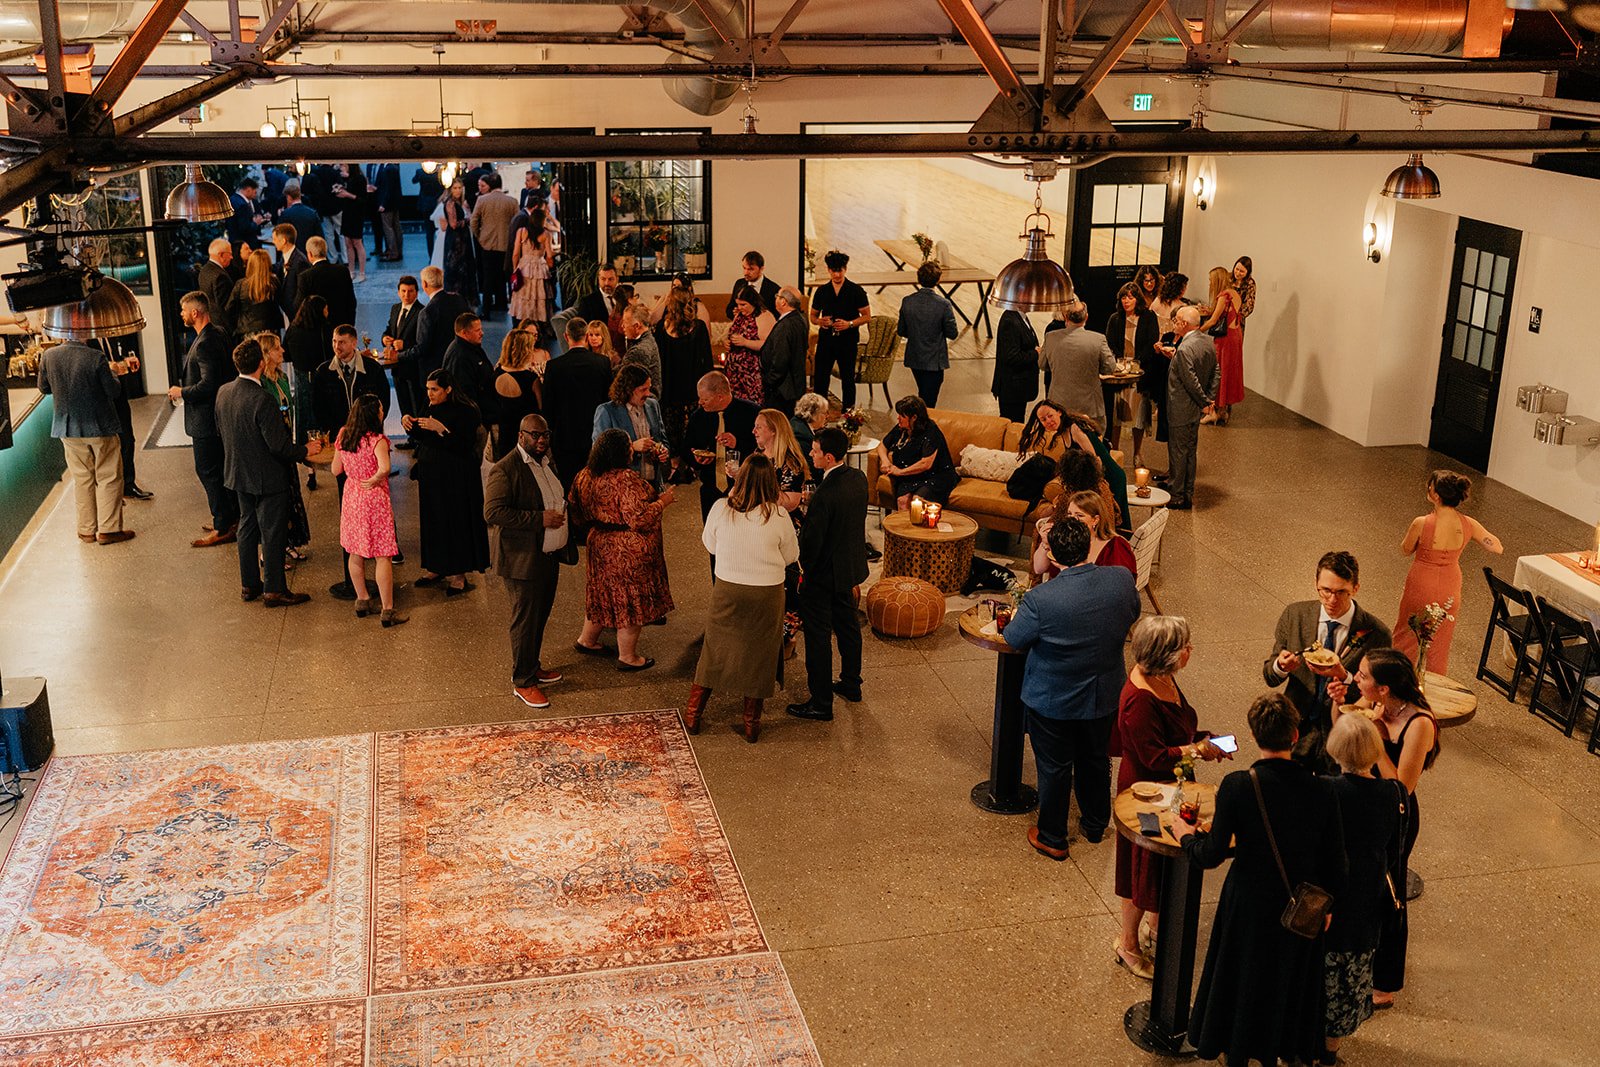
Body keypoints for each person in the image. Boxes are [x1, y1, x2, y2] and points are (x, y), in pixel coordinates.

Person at [1170, 693, 1346, 1067]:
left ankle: (1238, 1048)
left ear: (1253, 735)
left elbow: (1211, 855)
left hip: (1248, 903)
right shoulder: (1323, 789)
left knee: (1245, 977)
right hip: (1300, 908)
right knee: (1287, 981)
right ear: (1295, 735)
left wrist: (1185, 837)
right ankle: (1281, 1048)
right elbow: (1336, 861)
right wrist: (1328, 905)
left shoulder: (1238, 785)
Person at [1002, 518, 1140, 860]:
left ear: (1052, 553)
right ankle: (1095, 824)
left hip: (1054, 699)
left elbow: (1014, 638)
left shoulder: (1042, 599)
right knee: (1095, 758)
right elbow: (1132, 613)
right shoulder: (1121, 580)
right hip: (1103, 693)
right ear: (1087, 546)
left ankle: (1053, 836)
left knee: (1055, 766)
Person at [1112, 615, 1230, 978]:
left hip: (1173, 784)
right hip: (1145, 793)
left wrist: (1204, 741)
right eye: (1184, 647)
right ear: (1165, 655)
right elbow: (1153, 756)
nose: (1190, 650)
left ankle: (1157, 924)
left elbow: (1177, 732)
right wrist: (1197, 750)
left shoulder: (1164, 677)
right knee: (1141, 869)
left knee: (1163, 866)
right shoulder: (1139, 700)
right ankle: (1127, 943)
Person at [1328, 648, 1440, 1013]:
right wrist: (1339, 706)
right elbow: (1345, 735)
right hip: (1364, 800)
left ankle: (1385, 984)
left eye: (1363, 676)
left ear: (1385, 688)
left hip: (1394, 813)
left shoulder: (1419, 723)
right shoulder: (1373, 702)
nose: (1356, 680)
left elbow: (1401, 788)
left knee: (1389, 894)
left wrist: (1376, 741)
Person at [683, 455, 800, 743]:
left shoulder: (721, 508)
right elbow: (791, 556)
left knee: (715, 648)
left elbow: (709, 544)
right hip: (767, 592)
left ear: (741, 478)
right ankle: (751, 723)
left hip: (728, 589)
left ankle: (694, 713)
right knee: (760, 653)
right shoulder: (778, 515)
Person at [1319, 714, 1404, 1064]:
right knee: (1347, 978)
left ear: (1336, 749)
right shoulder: (1392, 794)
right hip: (1366, 900)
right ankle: (1330, 1052)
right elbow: (1395, 848)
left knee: (1317, 972)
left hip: (1326, 898)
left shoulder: (1325, 790)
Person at [215, 338, 322, 606]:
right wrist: (305, 450)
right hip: (268, 477)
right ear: (262, 363)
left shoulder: (224, 392)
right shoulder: (263, 399)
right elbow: (278, 446)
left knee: (247, 527)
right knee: (273, 532)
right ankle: (274, 589)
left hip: (238, 473)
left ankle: (249, 585)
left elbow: (221, 431)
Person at [1264, 550, 1393, 773]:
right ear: (1316, 584)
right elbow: (1270, 676)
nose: (1332, 600)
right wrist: (1281, 667)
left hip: (1343, 732)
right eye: (1326, 591)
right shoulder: (1295, 615)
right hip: (1296, 728)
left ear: (1355, 588)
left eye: (1341, 592)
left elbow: (1379, 694)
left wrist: (1345, 677)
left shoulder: (1377, 633)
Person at [485, 413, 572, 709]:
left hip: (547, 554)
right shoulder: (506, 469)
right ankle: (523, 681)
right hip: (521, 559)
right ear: (521, 435)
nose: (541, 440)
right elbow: (493, 512)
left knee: (539, 616)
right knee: (525, 621)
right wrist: (539, 519)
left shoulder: (546, 461)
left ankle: (532, 666)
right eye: (535, 435)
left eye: (545, 434)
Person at [571, 428, 676, 670]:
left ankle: (587, 640)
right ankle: (628, 657)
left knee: (602, 593)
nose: (632, 449)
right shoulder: (625, 479)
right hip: (626, 549)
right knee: (629, 600)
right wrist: (662, 502)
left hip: (598, 543)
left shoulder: (585, 474)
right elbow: (639, 518)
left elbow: (575, 509)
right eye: (629, 446)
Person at [787, 427, 869, 724]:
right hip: (848, 568)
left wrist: (802, 569)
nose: (811, 453)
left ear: (829, 457)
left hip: (823, 575)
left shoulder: (824, 494)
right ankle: (851, 683)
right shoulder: (858, 478)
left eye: (815, 450)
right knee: (848, 626)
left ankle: (821, 703)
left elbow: (812, 543)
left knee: (818, 636)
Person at [1391, 470, 1503, 673]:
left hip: (1421, 582)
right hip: (1449, 585)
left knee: (1407, 634)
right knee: (1440, 643)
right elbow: (1496, 547)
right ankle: (1436, 683)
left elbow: (1405, 549)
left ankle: (1398, 677)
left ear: (1435, 495)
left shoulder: (1422, 522)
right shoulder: (1468, 523)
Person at [37, 337, 134, 545]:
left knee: (82, 478)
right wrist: (113, 371)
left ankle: (86, 530)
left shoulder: (49, 356)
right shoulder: (96, 357)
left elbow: (44, 388)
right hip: (100, 426)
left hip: (67, 427)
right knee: (108, 476)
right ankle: (109, 530)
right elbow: (113, 391)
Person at [402, 369, 490, 596]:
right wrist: (408, 423)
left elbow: (465, 446)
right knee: (433, 519)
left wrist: (442, 430)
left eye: (435, 389)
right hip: (432, 473)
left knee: (455, 521)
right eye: (428, 389)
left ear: (448, 389)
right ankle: (435, 566)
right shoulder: (431, 405)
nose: (430, 394)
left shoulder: (467, 411)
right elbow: (422, 435)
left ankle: (459, 575)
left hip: (456, 475)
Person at [170, 291, 240, 547]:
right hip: (219, 416)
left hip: (206, 420)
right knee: (220, 469)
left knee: (208, 471)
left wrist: (181, 392)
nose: (181, 315)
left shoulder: (205, 343)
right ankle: (230, 517)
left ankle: (223, 525)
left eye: (183, 311)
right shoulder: (218, 333)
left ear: (195, 312)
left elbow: (209, 384)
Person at [330, 395, 404, 627]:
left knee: (355, 551)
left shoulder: (343, 435)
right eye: (381, 409)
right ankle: (387, 610)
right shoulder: (377, 441)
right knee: (383, 554)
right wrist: (373, 479)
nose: (383, 412)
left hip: (352, 497)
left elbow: (335, 469)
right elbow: (385, 468)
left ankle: (362, 599)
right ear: (374, 415)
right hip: (374, 499)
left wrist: (355, 475)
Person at [255, 332, 311, 561]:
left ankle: (288, 542)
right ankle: (268, 552)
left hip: (285, 441)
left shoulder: (282, 378)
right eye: (277, 348)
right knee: (273, 502)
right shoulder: (261, 384)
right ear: (266, 353)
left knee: (289, 495)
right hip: (271, 446)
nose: (283, 351)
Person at [543, 316, 615, 488]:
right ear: (586, 336)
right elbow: (609, 401)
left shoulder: (554, 366)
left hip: (565, 437)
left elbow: (548, 407)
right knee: (595, 485)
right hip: (595, 435)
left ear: (566, 336)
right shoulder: (602, 363)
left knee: (570, 486)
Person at [683, 371, 760, 525]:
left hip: (745, 488)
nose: (700, 402)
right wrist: (696, 459)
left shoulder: (752, 413)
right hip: (711, 488)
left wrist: (737, 444)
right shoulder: (698, 417)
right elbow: (686, 448)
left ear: (720, 397)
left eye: (705, 399)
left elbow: (764, 450)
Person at [1162, 306, 1219, 510]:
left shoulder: (1185, 348)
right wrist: (1209, 398)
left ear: (1184, 324)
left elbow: (1190, 381)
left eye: (1176, 320)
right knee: (1190, 451)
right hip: (1194, 408)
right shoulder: (1207, 342)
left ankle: (1177, 495)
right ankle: (1187, 491)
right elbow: (1216, 371)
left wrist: (1204, 401)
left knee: (1178, 451)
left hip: (1182, 407)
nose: (1174, 323)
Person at [655, 286, 714, 461]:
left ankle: (674, 463)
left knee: (672, 431)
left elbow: (659, 361)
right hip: (692, 387)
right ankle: (691, 463)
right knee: (693, 431)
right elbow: (707, 361)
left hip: (670, 387)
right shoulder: (699, 327)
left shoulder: (661, 327)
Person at [1105, 282, 1161, 462]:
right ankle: (1114, 451)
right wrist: (1121, 363)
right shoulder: (1115, 318)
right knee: (1116, 414)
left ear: (1137, 299)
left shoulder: (1148, 317)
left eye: (1130, 297)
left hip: (1140, 373)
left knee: (1138, 415)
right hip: (1119, 373)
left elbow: (1151, 343)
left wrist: (1136, 363)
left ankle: (1137, 452)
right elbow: (1110, 343)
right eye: (1123, 297)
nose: (1126, 301)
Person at [592, 363, 670, 489]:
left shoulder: (653, 405)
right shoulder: (607, 411)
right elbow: (599, 454)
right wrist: (632, 447)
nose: (648, 393)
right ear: (628, 389)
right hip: (624, 487)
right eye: (643, 390)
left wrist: (662, 451)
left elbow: (662, 439)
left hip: (653, 484)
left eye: (649, 388)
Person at [1040, 300, 1116, 426]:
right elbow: (1110, 368)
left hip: (1058, 406)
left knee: (1061, 438)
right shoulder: (1098, 339)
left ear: (1065, 317)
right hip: (1089, 406)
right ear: (1086, 317)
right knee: (1091, 438)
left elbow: (1042, 364)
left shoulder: (1050, 337)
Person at [810, 250, 870, 408]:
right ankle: (819, 410)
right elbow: (813, 316)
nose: (837, 275)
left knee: (848, 378)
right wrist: (820, 322)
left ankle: (849, 412)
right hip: (826, 341)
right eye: (834, 271)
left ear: (845, 269)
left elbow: (866, 316)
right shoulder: (822, 291)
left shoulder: (856, 291)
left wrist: (849, 324)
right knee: (821, 378)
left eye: (840, 271)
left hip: (847, 341)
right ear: (828, 270)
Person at [876, 395, 957, 509]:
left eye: (902, 416)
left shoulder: (931, 431)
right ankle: (902, 521)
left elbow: (926, 464)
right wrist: (885, 461)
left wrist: (900, 472)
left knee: (917, 501)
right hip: (912, 476)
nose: (898, 418)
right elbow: (882, 445)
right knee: (902, 501)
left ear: (914, 417)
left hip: (935, 476)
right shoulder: (901, 428)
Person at [1034, 490, 1135, 580]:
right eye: (1069, 514)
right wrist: (1045, 543)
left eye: (1079, 515)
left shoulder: (1116, 546)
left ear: (1095, 520)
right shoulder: (1063, 539)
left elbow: (1124, 583)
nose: (1073, 519)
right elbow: (1038, 569)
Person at [896, 261, 958, 407]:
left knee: (923, 394)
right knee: (929, 400)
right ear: (938, 280)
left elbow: (901, 330)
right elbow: (952, 333)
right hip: (934, 359)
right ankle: (922, 420)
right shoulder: (943, 304)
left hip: (915, 356)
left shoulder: (908, 301)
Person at [1196, 266, 1244, 426]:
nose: (1210, 284)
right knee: (1228, 372)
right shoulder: (1235, 293)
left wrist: (1196, 332)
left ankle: (1214, 412)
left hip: (1225, 339)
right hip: (1236, 335)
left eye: (1211, 280)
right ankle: (1222, 410)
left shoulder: (1223, 295)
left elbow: (1213, 321)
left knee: (1217, 371)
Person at [491, 329, 544, 461]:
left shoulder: (496, 373)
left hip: (504, 435)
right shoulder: (531, 379)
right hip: (527, 438)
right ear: (525, 350)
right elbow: (541, 408)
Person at [414, 265, 471, 384]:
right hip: (461, 365)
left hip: (436, 372)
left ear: (424, 284)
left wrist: (399, 356)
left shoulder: (427, 312)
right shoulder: (459, 300)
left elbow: (422, 348)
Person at [471, 172, 518, 312]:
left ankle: (486, 308)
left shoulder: (482, 200)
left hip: (487, 244)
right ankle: (502, 304)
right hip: (506, 244)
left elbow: (474, 221)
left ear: (490, 185)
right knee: (503, 276)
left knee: (488, 277)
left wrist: (480, 237)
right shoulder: (512, 201)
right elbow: (517, 223)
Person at [383, 275, 424, 423]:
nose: (407, 295)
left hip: (413, 369)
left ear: (417, 293)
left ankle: (418, 435)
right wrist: (385, 338)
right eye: (404, 291)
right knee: (404, 407)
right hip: (397, 368)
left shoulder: (422, 312)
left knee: (416, 408)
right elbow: (389, 329)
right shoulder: (395, 309)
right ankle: (410, 433)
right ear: (398, 292)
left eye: (410, 291)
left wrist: (405, 344)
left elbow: (423, 342)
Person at [763, 287, 809, 416]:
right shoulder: (800, 318)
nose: (775, 299)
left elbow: (781, 359)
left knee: (779, 423)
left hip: (782, 389)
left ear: (783, 302)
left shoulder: (785, 325)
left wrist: (769, 381)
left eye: (777, 296)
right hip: (793, 386)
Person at [223, 249, 284, 344]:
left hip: (248, 331)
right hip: (271, 330)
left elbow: (229, 310)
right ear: (268, 264)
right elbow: (282, 302)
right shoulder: (274, 282)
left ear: (250, 264)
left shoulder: (241, 284)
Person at [442, 312, 496, 417]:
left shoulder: (472, 346)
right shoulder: (460, 358)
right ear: (464, 333)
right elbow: (465, 394)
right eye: (477, 330)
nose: (482, 333)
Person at [725, 290, 773, 406]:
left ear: (753, 302)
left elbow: (768, 344)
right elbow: (731, 334)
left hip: (752, 372)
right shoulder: (739, 315)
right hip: (734, 373)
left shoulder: (763, 316)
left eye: (743, 304)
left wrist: (745, 342)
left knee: (752, 405)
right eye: (738, 304)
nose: (739, 308)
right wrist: (727, 342)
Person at [991, 306, 1039, 423]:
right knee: (1011, 424)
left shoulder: (1020, 317)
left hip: (1019, 387)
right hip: (1012, 388)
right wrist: (1036, 353)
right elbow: (1012, 357)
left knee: (1018, 421)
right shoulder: (1010, 321)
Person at [298, 236, 357, 329]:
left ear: (310, 254)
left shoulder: (305, 276)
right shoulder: (342, 271)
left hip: (318, 329)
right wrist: (350, 325)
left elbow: (300, 305)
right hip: (341, 325)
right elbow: (351, 301)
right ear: (325, 251)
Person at [508, 206, 553, 329]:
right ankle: (538, 324)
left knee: (523, 296)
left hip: (524, 267)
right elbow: (549, 255)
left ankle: (521, 323)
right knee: (539, 296)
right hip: (540, 267)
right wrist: (550, 265)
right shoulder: (546, 234)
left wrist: (515, 268)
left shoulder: (522, 231)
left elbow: (515, 253)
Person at [437, 179, 476, 299]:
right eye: (455, 188)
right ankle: (456, 299)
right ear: (450, 189)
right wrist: (467, 220)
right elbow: (453, 224)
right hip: (456, 240)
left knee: (465, 268)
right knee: (456, 269)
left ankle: (464, 299)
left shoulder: (461, 202)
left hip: (463, 238)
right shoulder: (450, 203)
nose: (458, 191)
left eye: (459, 188)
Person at [332, 164, 368, 282]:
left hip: (356, 214)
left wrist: (347, 194)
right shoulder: (348, 179)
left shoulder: (360, 179)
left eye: (344, 165)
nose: (342, 167)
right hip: (347, 212)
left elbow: (363, 199)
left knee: (357, 242)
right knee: (348, 243)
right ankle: (351, 271)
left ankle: (362, 272)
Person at [196, 238, 235, 338]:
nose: (232, 257)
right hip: (224, 329)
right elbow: (225, 307)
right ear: (221, 255)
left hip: (211, 325)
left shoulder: (204, 270)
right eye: (230, 254)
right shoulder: (220, 276)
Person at [619, 303, 661, 390]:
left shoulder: (639, 351)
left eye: (625, 322)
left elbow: (621, 381)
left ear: (637, 326)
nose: (622, 326)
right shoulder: (649, 338)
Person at [271, 222, 309, 316]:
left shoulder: (300, 262)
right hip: (286, 309)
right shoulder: (285, 256)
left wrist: (293, 311)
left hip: (294, 313)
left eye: (275, 239)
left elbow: (301, 291)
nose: (273, 242)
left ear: (283, 241)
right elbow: (279, 267)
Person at [727, 250, 780, 316]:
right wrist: (735, 312)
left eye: (751, 269)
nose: (746, 273)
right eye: (744, 268)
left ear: (761, 269)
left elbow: (777, 315)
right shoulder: (739, 284)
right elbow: (729, 310)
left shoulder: (773, 289)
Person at [278, 180, 320, 259]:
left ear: (289, 197)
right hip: (310, 254)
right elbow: (319, 236)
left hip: (292, 255)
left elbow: (280, 236)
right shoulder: (312, 213)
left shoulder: (285, 214)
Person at [374, 162, 404, 262]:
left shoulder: (388, 169)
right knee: (396, 227)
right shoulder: (394, 168)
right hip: (394, 203)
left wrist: (383, 204)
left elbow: (388, 189)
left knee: (388, 228)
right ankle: (398, 251)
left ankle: (393, 253)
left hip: (387, 204)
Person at [227, 177, 266, 252]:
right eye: (254, 192)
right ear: (248, 190)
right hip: (245, 243)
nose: (255, 195)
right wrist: (255, 223)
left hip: (234, 240)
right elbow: (244, 228)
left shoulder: (232, 199)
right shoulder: (242, 205)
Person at [791, 392, 829, 456]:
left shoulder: (798, 421)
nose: (827, 416)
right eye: (825, 413)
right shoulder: (801, 435)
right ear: (814, 414)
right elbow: (811, 459)